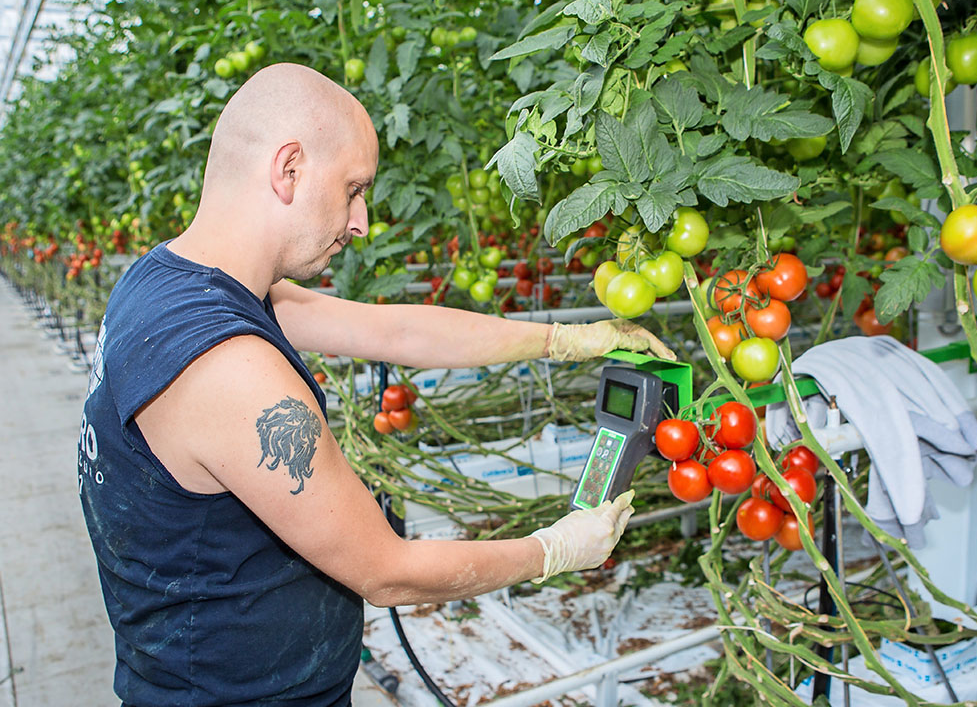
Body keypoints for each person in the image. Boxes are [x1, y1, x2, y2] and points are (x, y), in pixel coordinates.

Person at [77, 62, 674, 706]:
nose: (360, 221)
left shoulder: (167, 281)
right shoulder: (229, 367)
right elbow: (388, 573)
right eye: (353, 188)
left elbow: (397, 334)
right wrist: (554, 549)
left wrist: (567, 339)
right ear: (289, 169)